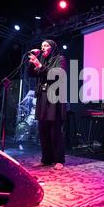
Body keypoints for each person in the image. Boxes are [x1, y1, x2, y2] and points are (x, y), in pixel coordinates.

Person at [27, 40, 67, 170]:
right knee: (42, 129)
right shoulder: (42, 61)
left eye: (46, 45)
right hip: (42, 97)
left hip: (54, 97)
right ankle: (46, 159)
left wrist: (39, 65)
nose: (43, 47)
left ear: (53, 47)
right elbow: (31, 73)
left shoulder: (60, 59)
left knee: (55, 130)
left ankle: (59, 160)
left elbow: (58, 75)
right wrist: (33, 61)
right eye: (42, 46)